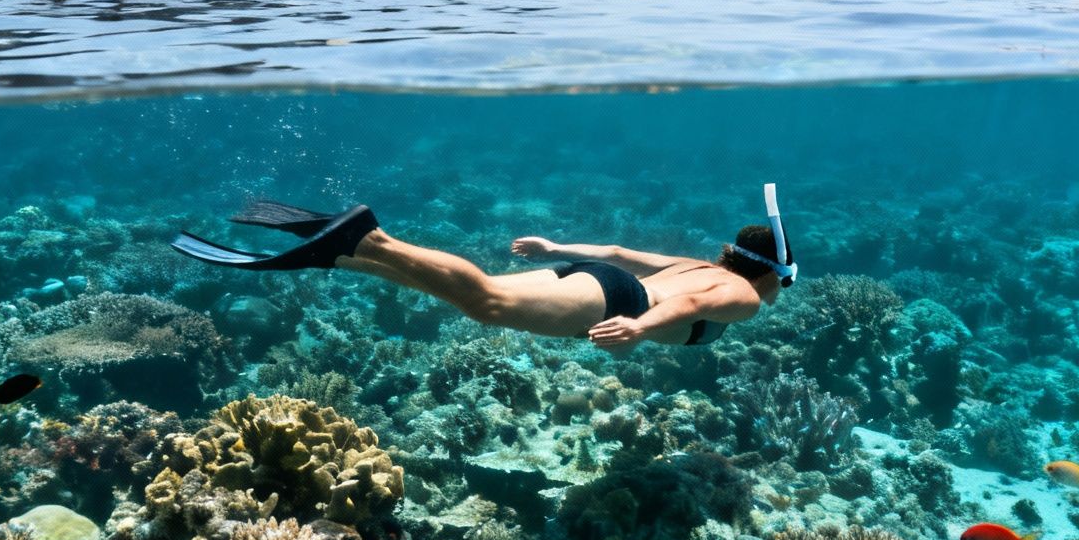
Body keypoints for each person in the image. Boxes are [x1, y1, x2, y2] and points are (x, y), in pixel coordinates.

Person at [171, 185, 797, 350]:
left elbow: (619, 253)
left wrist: (554, 247)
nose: (779, 294)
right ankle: (373, 236)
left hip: (601, 281)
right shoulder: (741, 295)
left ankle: (342, 251)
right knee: (487, 303)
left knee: (483, 295)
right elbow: (689, 310)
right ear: (770, 272)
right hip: (618, 305)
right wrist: (637, 327)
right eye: (785, 283)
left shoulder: (694, 262)